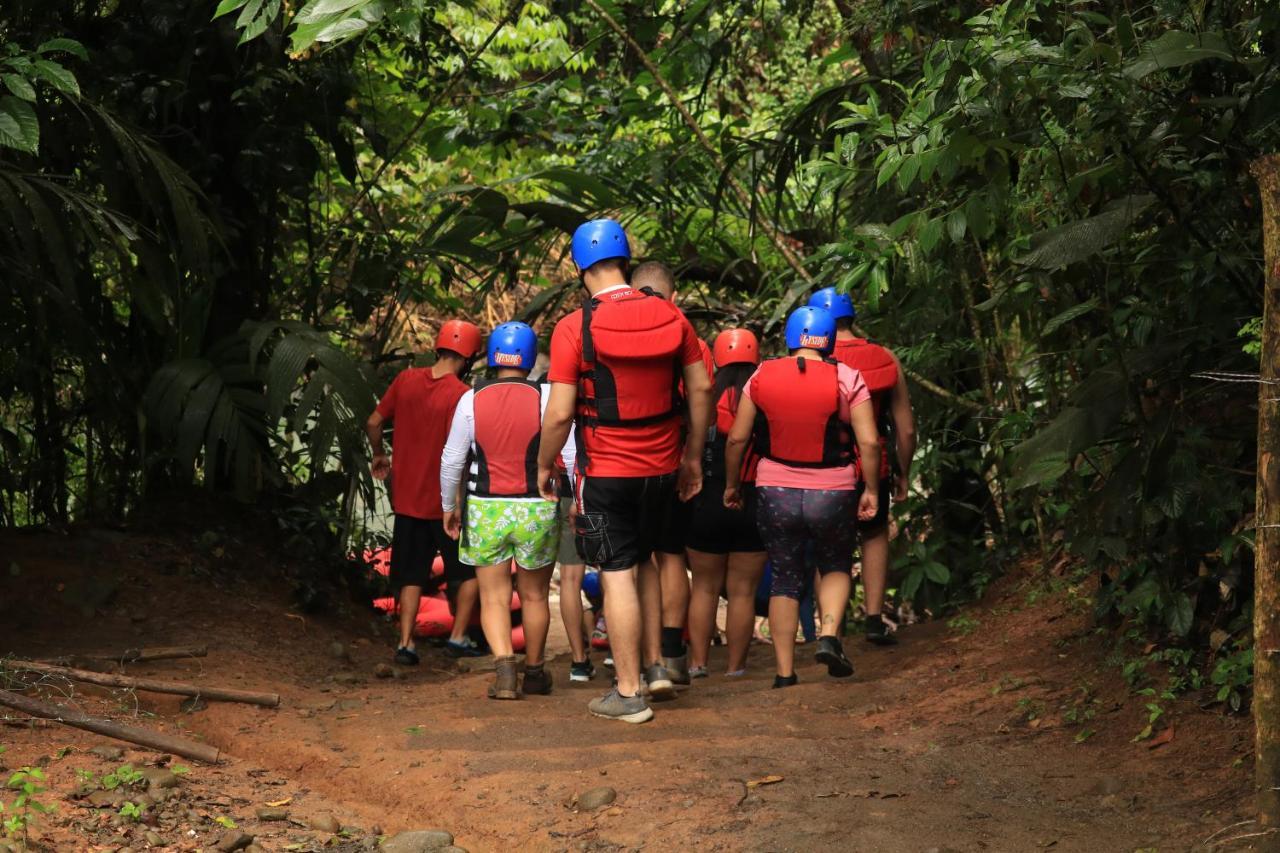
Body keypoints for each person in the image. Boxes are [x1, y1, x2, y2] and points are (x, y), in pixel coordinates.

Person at [537, 219, 712, 724]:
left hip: (607, 471)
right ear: (626, 262)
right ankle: (656, 664)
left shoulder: (575, 328)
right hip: (663, 468)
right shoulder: (672, 318)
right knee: (653, 562)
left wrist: (545, 465)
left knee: (616, 574)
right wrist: (693, 456)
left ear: (579, 268)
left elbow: (560, 413)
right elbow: (700, 391)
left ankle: (629, 691)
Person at [722, 306, 881, 688]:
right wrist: (872, 488)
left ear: (791, 338)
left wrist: (732, 484)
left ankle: (784, 672)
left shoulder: (762, 375)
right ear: (827, 341)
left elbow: (738, 437)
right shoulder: (847, 377)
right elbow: (870, 441)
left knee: (784, 578)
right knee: (836, 565)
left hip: (775, 489)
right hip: (834, 490)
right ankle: (827, 635)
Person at [439, 321, 576, 699]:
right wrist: (576, 497)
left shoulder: (471, 399)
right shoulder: (548, 397)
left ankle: (503, 673)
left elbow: (452, 460)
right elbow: (569, 452)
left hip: (485, 508)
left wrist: (448, 505)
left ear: (493, 356)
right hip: (537, 507)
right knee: (533, 595)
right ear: (530, 357)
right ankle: (534, 672)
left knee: (495, 597)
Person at [366, 319, 484, 665]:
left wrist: (378, 453)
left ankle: (406, 644)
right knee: (468, 571)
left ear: (438, 347)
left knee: (411, 573)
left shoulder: (405, 380)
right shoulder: (462, 395)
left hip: (407, 499)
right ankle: (459, 637)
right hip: (447, 504)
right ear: (468, 357)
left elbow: (374, 422)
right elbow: (463, 454)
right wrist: (460, 500)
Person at [809, 287, 916, 645]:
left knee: (828, 545)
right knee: (873, 535)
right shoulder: (884, 357)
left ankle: (831, 629)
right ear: (852, 317)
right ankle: (873, 620)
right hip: (877, 466)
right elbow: (906, 427)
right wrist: (904, 471)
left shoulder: (809, 359)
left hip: (825, 468)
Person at [627, 260, 715, 687]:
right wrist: (692, 457)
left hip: (624, 461)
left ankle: (647, 658)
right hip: (675, 457)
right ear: (674, 295)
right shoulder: (686, 332)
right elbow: (701, 394)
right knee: (672, 555)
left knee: (636, 561)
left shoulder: (611, 323)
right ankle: (674, 654)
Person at [685, 328, 767, 678]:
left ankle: (698, 663)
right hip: (753, 501)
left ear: (717, 357)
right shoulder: (766, 395)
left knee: (703, 587)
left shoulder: (704, 396)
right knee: (743, 592)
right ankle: (736, 667)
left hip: (707, 501)